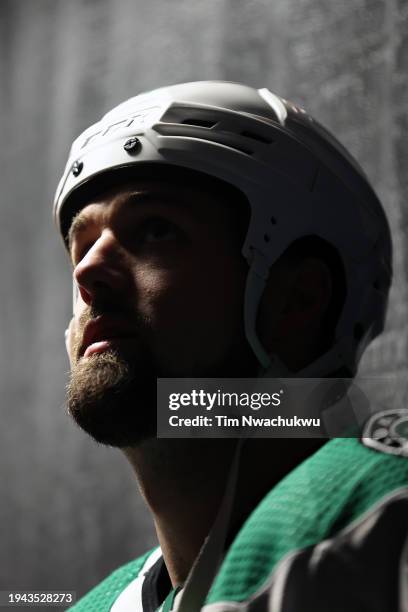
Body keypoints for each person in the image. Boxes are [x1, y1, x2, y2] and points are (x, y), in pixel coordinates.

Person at [53, 81, 408, 611]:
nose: (87, 271)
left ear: (298, 300)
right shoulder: (97, 605)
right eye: (82, 244)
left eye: (155, 230)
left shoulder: (385, 510)